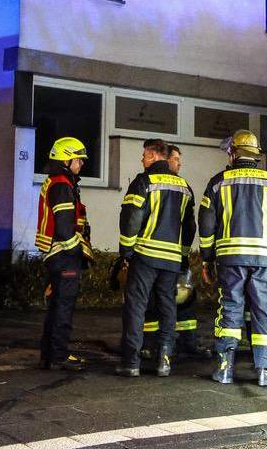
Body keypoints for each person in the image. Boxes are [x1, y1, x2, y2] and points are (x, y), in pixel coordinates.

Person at [198, 130, 267, 386]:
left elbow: (206, 222)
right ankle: (265, 371)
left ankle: (225, 369)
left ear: (233, 153)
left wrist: (206, 259)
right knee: (264, 308)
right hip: (264, 259)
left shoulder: (218, 182)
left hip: (230, 258)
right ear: (255, 155)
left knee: (230, 308)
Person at [115, 139, 195, 377]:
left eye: (144, 155)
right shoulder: (184, 186)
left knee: (136, 307)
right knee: (168, 307)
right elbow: (190, 226)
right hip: (171, 259)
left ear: (153, 156)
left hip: (145, 255)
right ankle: (164, 361)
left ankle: (131, 362)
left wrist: (125, 253)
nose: (142, 159)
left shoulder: (143, 182)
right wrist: (183, 255)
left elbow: (131, 219)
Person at [36, 137, 93, 371]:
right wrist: (77, 251)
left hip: (57, 255)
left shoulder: (58, 182)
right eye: (78, 159)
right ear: (66, 159)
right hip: (64, 255)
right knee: (63, 307)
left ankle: (49, 356)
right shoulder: (61, 184)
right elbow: (63, 228)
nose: (80, 164)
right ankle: (59, 356)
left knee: (56, 306)